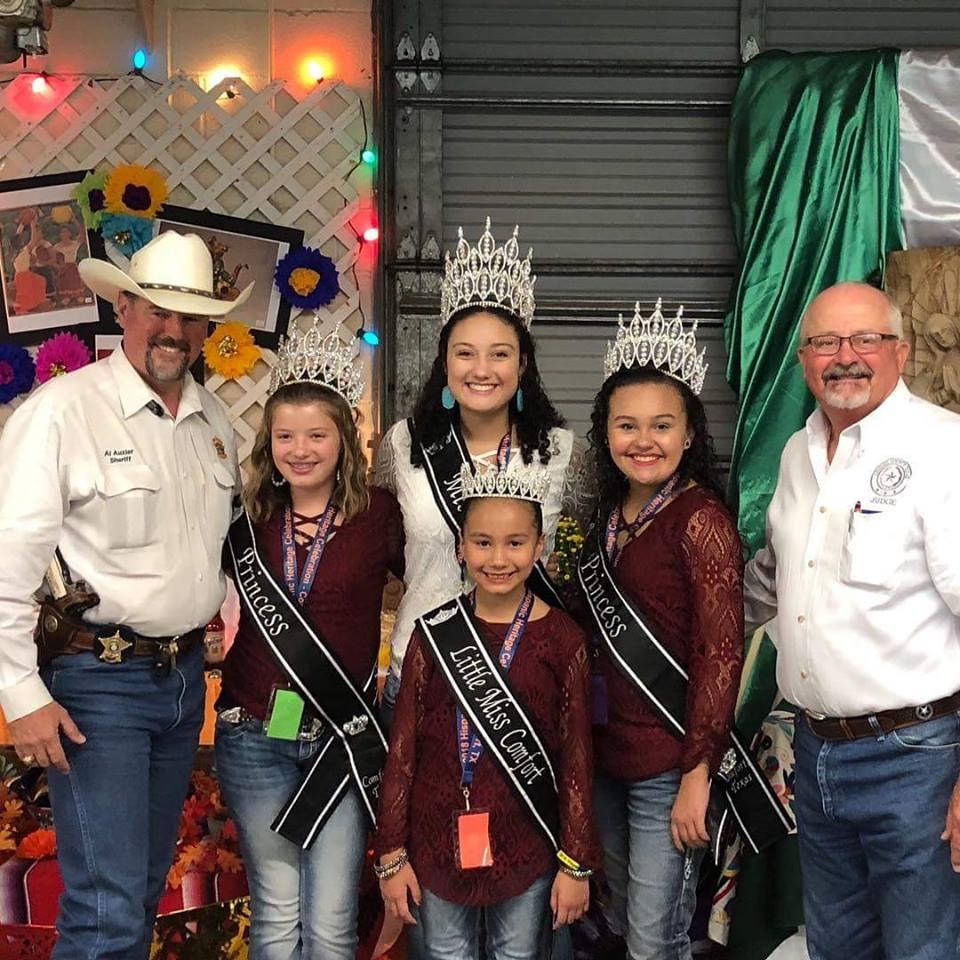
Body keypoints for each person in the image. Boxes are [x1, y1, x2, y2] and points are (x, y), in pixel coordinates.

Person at [0, 230, 252, 959]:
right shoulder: (61, 412)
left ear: (208, 326)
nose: (172, 330)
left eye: (189, 315)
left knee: (140, 891)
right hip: (95, 685)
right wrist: (19, 691)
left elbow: (216, 550)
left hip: (177, 684)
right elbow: (9, 559)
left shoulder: (213, 424)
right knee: (106, 908)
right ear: (124, 308)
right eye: (156, 310)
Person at [743, 281, 960, 960]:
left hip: (918, 758)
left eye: (864, 339)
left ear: (900, 351)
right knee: (836, 948)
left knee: (923, 949)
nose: (845, 357)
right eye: (825, 342)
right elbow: (776, 592)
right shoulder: (794, 456)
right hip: (818, 755)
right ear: (804, 360)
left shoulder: (943, 448)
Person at [215, 316, 404, 960]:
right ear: (269, 442)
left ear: (343, 439)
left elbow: (438, 579)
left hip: (340, 741)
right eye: (286, 435)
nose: (301, 449)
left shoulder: (379, 516)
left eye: (317, 434)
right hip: (252, 734)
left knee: (330, 920)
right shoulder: (249, 516)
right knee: (274, 914)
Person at [375, 459, 596, 960]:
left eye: (516, 543)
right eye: (482, 542)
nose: (498, 558)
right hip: (435, 840)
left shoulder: (563, 640)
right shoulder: (432, 636)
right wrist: (391, 853)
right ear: (459, 546)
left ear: (541, 547)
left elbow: (578, 759)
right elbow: (403, 750)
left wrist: (576, 862)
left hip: (527, 843)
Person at [374, 217, 591, 727]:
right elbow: (381, 551)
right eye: (465, 353)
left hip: (525, 676)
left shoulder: (563, 453)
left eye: (500, 354)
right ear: (444, 363)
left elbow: (593, 553)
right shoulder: (403, 445)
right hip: (420, 665)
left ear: (522, 368)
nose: (481, 369)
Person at [577, 300, 744, 960]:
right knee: (624, 929)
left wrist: (698, 772)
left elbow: (720, 650)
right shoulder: (609, 513)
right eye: (627, 425)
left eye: (661, 425)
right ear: (607, 432)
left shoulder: (701, 520)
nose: (642, 440)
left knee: (655, 940)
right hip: (605, 756)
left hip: (668, 768)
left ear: (688, 435)